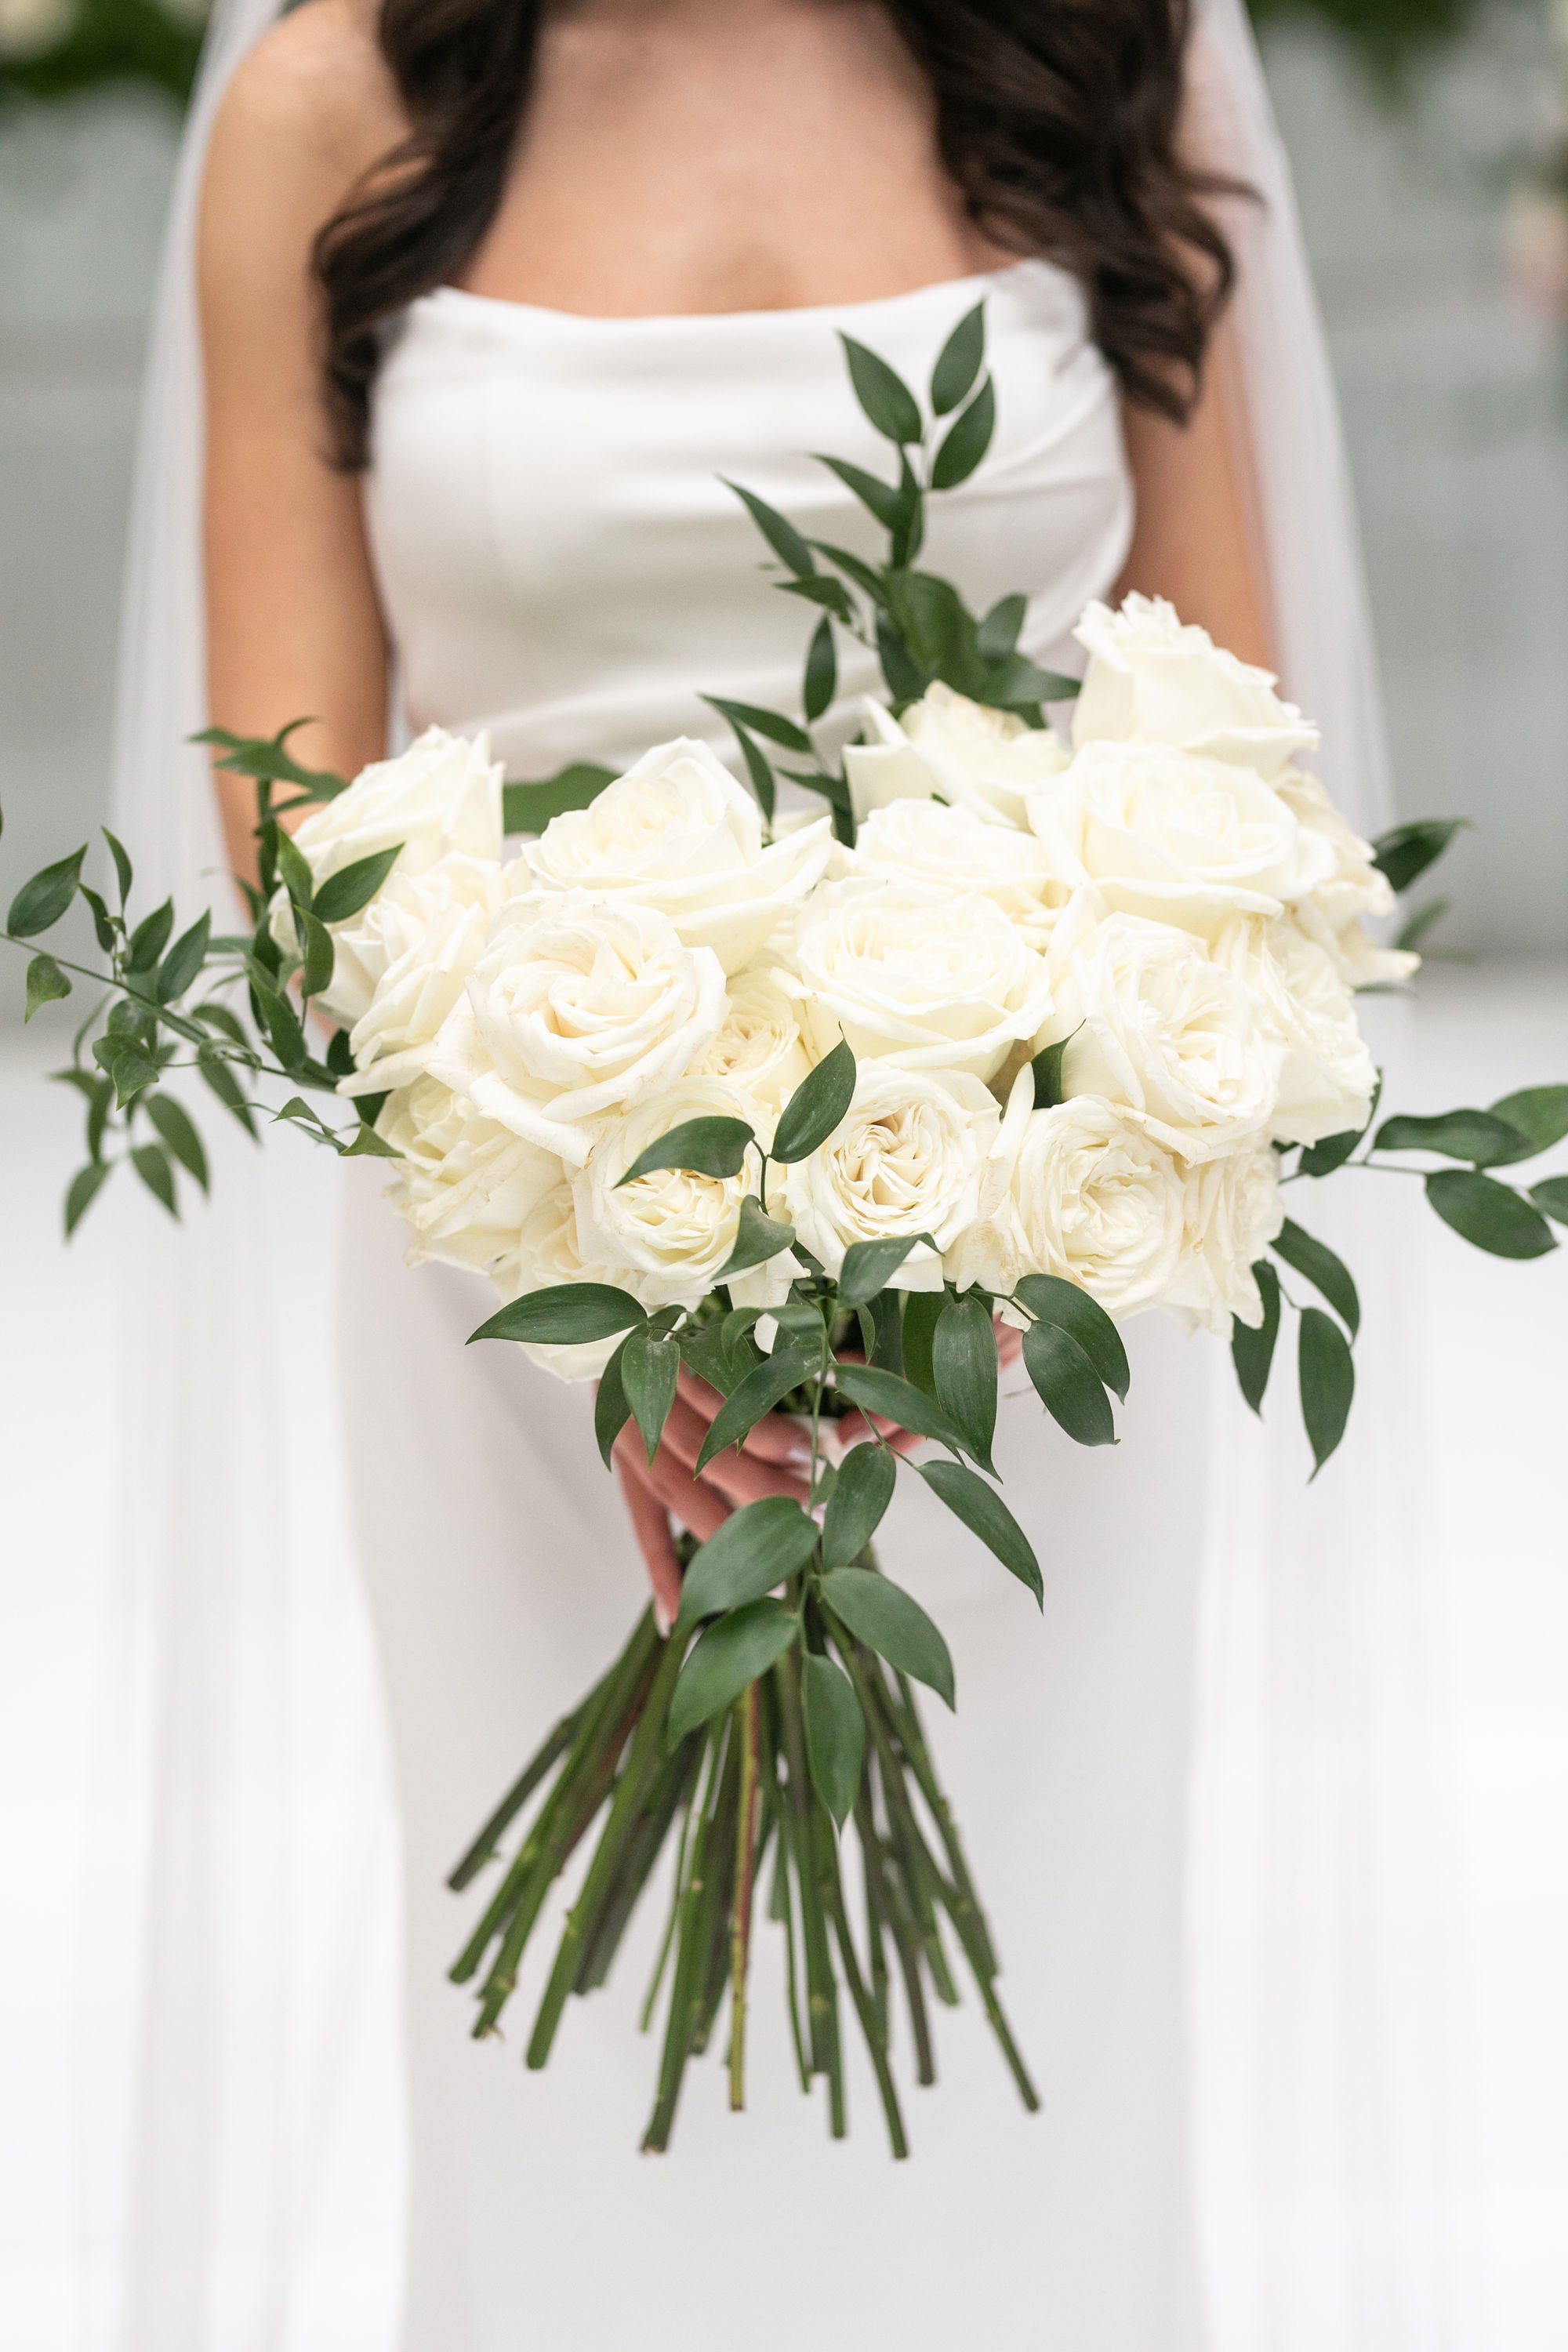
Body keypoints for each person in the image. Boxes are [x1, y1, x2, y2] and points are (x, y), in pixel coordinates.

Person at [184, 4, 1349, 2346]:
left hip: (1030, 1288)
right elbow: (290, 808)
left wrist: (973, 1220)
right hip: (507, 1271)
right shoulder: (338, 104)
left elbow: (1228, 744)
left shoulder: (1114, 51)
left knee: (1037, 2018)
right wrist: (619, 1252)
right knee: (586, 2064)